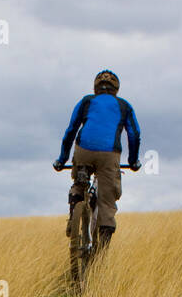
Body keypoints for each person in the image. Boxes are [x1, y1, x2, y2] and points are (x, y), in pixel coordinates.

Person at [53, 70, 141, 247]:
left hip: (83, 151)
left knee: (79, 184)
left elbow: (71, 131)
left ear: (95, 88)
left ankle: (74, 213)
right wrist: (133, 161)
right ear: (116, 89)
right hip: (109, 155)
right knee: (107, 202)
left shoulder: (86, 101)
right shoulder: (124, 106)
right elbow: (134, 134)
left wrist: (62, 159)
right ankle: (101, 252)